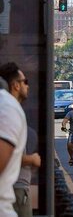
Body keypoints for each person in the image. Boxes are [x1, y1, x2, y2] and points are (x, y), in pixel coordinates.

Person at [0, 66, 31, 217]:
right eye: (25, 82)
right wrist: (31, 159)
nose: (28, 86)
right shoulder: (8, 107)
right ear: (15, 85)